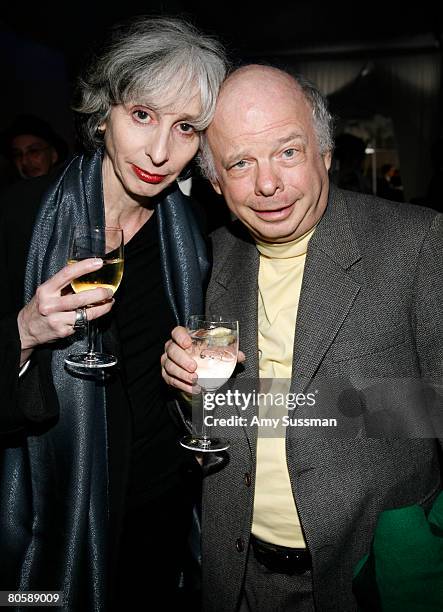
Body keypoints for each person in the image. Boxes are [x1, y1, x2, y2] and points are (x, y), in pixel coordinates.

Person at [161, 65, 443, 611]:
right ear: (216, 181)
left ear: (325, 152)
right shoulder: (208, 257)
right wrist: (189, 391)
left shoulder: (417, 243)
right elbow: (213, 418)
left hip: (376, 576)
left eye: (287, 152)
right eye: (241, 163)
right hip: (238, 574)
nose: (267, 183)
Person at [0, 16, 227, 611]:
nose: (159, 151)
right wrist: (23, 333)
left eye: (185, 128)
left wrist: (207, 376)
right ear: (104, 114)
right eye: (142, 115)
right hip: (56, 510)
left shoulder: (196, 234)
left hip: (167, 508)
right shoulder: (21, 216)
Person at [0, 113, 69, 181]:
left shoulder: (69, 187)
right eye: (17, 154)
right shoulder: (10, 191)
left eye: (33, 151)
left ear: (54, 155)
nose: (24, 161)